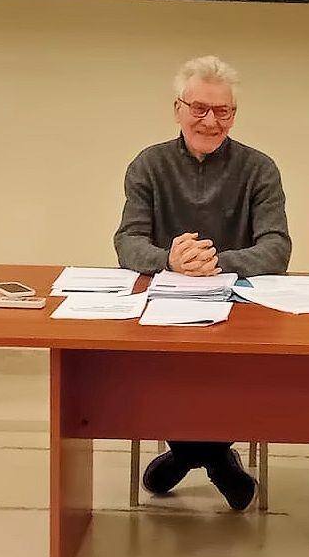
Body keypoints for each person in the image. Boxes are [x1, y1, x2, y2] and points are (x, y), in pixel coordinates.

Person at [114, 55, 291, 510]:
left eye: (223, 111)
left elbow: (277, 247)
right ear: (178, 109)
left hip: (239, 309)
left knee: (236, 373)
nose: (211, 122)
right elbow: (128, 241)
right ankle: (215, 458)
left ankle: (187, 454)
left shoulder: (259, 168)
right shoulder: (148, 164)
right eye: (199, 108)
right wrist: (169, 260)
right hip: (164, 307)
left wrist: (216, 264)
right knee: (158, 371)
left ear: (234, 115)